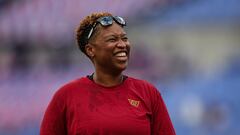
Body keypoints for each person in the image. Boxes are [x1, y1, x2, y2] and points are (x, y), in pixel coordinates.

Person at [40, 12, 176, 135]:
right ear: (90, 50)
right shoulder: (66, 96)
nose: (123, 44)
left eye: (124, 38)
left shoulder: (148, 93)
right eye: (112, 39)